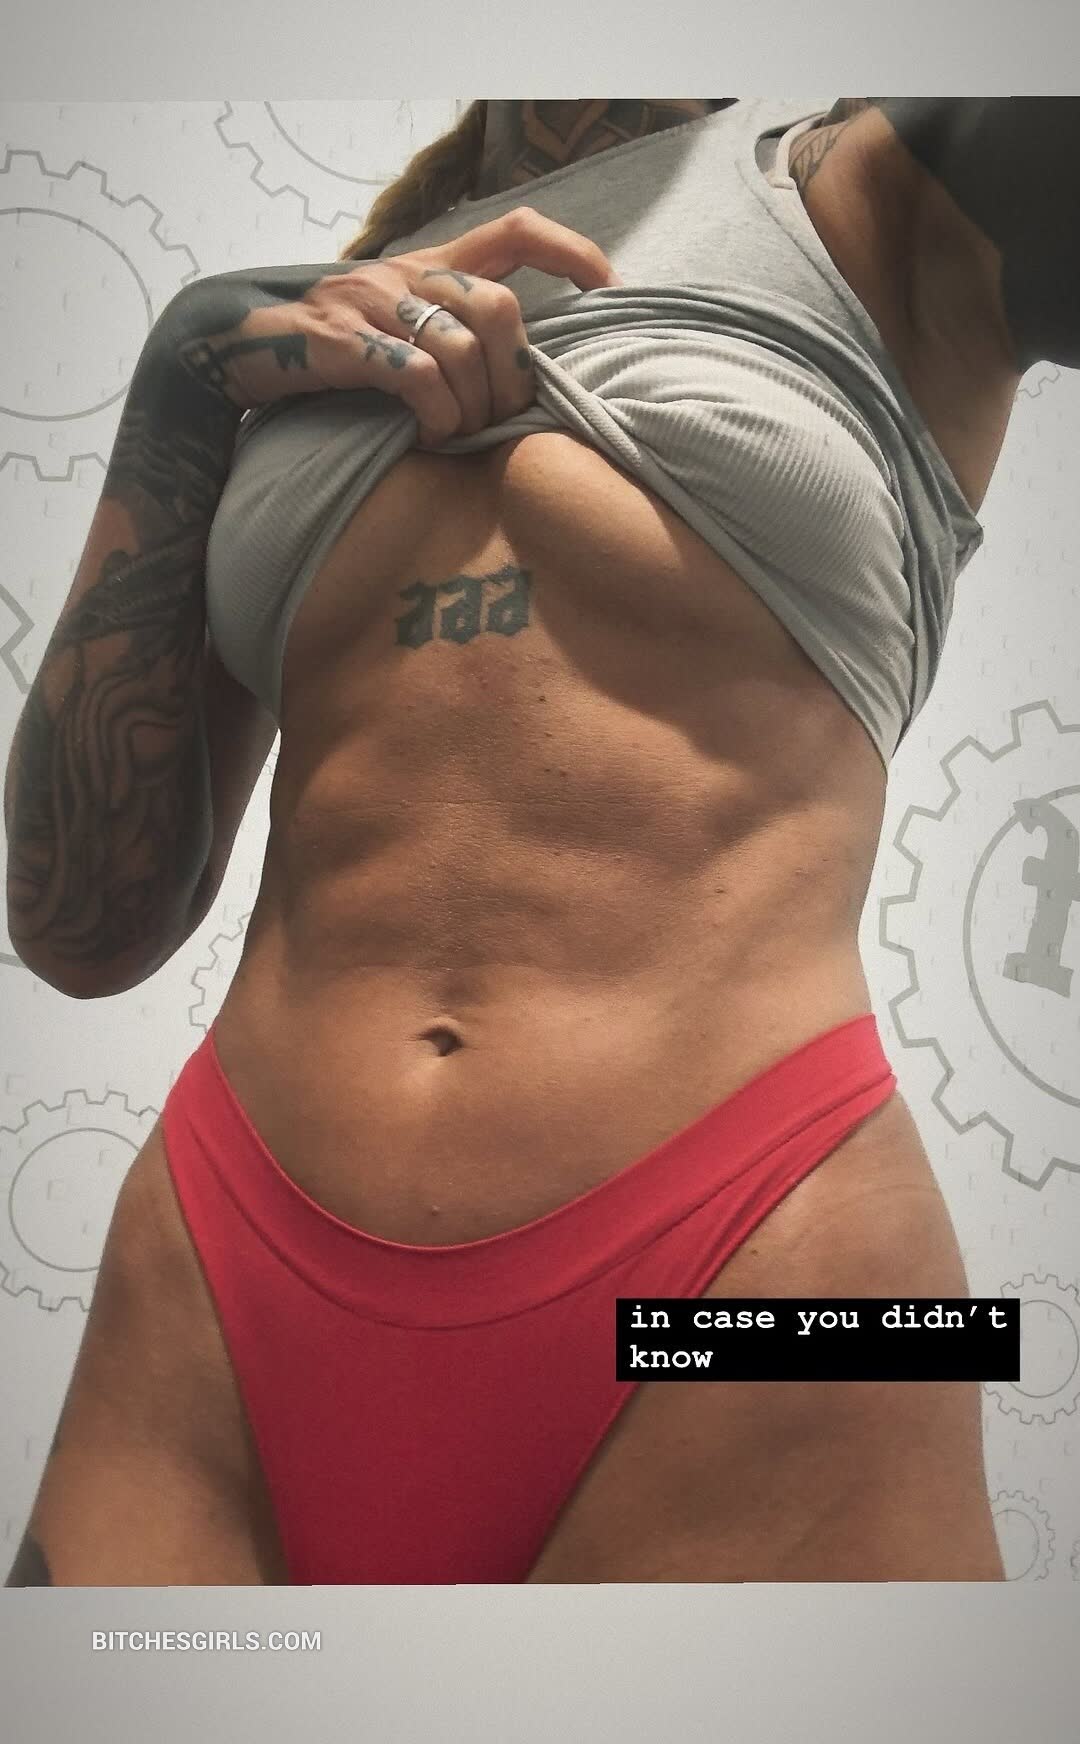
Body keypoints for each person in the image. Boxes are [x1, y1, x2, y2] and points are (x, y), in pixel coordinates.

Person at [4, 97, 1077, 1586]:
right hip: (218, 1279)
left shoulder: (873, 178)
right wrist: (189, 364)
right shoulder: (307, 317)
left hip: (751, 1289)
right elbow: (79, 923)